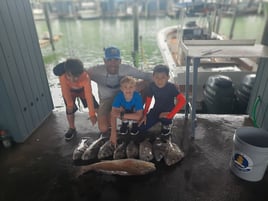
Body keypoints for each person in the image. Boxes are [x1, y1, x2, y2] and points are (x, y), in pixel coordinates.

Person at [87, 46, 152, 137]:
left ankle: (138, 110)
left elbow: (146, 75)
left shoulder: (126, 69)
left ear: (120, 61)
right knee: (103, 128)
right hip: (106, 99)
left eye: (116, 60)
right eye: (110, 60)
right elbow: (79, 76)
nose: (113, 63)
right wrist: (93, 108)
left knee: (147, 83)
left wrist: (170, 84)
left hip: (125, 94)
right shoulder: (95, 71)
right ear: (104, 61)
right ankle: (128, 116)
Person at [53, 58, 98, 141]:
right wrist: (70, 104)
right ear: (66, 72)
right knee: (69, 110)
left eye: (76, 77)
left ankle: (105, 123)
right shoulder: (62, 76)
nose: (72, 80)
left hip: (83, 91)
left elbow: (88, 95)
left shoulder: (86, 77)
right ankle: (72, 128)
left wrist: (92, 114)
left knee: (96, 108)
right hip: (70, 92)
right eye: (69, 76)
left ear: (80, 73)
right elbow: (65, 91)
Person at [139, 64, 186, 139]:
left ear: (168, 78)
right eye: (157, 77)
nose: (159, 80)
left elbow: (182, 100)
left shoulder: (171, 87)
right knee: (141, 127)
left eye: (163, 77)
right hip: (156, 110)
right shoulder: (152, 86)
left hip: (168, 111)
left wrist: (171, 114)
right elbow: (148, 100)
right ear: (153, 77)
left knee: (165, 133)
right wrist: (144, 114)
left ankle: (166, 125)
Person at [110, 76, 143, 145]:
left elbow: (139, 115)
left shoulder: (138, 96)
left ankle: (134, 124)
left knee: (136, 116)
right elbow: (113, 113)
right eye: (125, 87)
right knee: (119, 109)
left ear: (135, 88)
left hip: (133, 112)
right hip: (124, 111)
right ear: (121, 89)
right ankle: (125, 123)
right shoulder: (119, 96)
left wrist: (120, 115)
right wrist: (113, 133)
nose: (128, 90)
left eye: (131, 87)